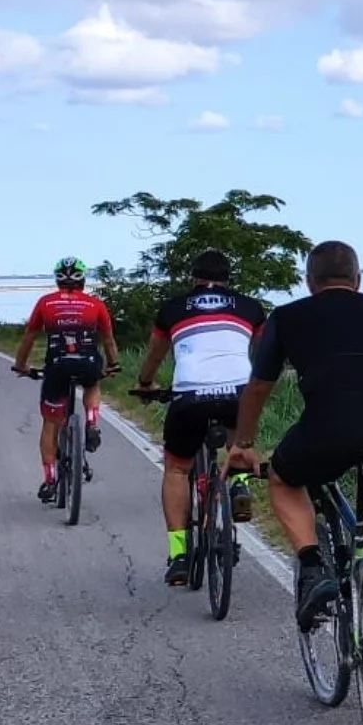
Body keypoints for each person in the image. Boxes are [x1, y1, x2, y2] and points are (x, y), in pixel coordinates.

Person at [229, 239, 363, 644]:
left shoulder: (288, 316)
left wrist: (243, 442)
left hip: (329, 424)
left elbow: (260, 385)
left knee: (282, 478)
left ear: (309, 282)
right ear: (358, 278)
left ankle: (313, 566)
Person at [134, 249, 269, 588]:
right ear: (228, 279)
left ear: (193, 277)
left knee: (178, 468)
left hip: (190, 396)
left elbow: (154, 356)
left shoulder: (173, 309)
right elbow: (267, 354)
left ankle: (179, 554)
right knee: (242, 436)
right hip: (237, 392)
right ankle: (238, 486)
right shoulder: (250, 307)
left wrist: (146, 383)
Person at [11, 257, 120, 501]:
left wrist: (21, 366)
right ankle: (92, 422)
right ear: (83, 279)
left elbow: (29, 338)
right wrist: (114, 364)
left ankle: (50, 480)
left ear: (57, 279)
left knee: (51, 423)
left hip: (57, 365)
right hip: (88, 362)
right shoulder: (95, 304)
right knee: (92, 382)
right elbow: (109, 339)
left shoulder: (46, 302)